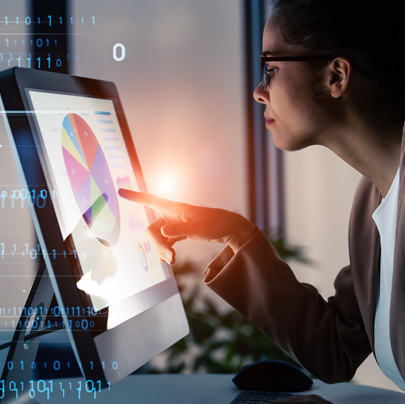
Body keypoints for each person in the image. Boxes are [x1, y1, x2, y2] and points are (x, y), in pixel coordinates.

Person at [119, 1, 405, 402]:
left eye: (270, 70)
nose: (258, 92)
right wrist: (237, 235)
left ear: (335, 76)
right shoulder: (373, 198)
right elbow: (335, 348)